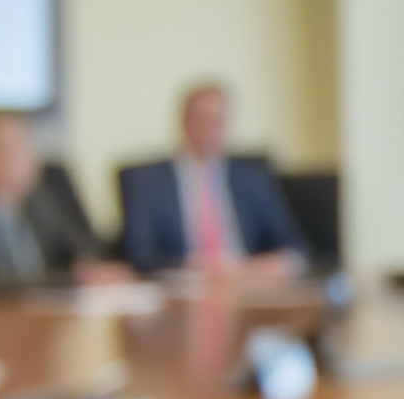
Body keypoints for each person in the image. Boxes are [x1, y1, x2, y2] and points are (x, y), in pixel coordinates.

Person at [0, 112, 130, 297]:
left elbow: (81, 249)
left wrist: (94, 270)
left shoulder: (38, 199)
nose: (15, 159)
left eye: (23, 146)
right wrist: (70, 280)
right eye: (4, 148)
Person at [117, 83, 306, 276]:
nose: (212, 130)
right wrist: (199, 269)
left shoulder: (252, 177)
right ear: (185, 122)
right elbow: (139, 256)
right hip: (184, 288)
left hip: (246, 285)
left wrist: (268, 266)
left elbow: (293, 248)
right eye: (204, 120)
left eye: (219, 122)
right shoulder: (146, 182)